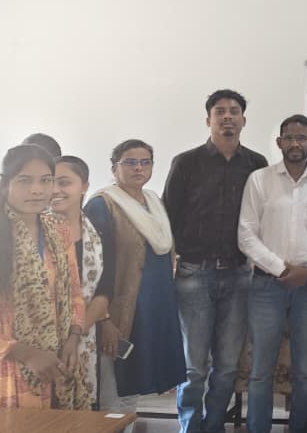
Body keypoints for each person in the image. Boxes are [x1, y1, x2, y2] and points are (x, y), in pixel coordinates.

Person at [0, 144, 89, 408]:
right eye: (25, 181)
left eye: (45, 180)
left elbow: (75, 293)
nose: (37, 190)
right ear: (5, 185)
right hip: (2, 372)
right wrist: (25, 353)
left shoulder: (59, 231)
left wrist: (73, 338)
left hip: (54, 367)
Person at [162, 89, 268, 433]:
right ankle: (190, 427)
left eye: (234, 111)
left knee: (227, 366)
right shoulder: (186, 162)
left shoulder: (256, 164)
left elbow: (264, 218)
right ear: (208, 119)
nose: (227, 117)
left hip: (239, 275)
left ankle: (213, 426)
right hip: (195, 273)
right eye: (219, 111)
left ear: (243, 120)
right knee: (194, 367)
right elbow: (168, 217)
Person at [238, 114, 307, 433]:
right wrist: (281, 268)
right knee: (260, 370)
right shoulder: (259, 180)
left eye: (302, 138)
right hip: (265, 287)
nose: (295, 143)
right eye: (289, 138)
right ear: (279, 142)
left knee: (305, 371)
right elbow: (245, 234)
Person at [85, 140, 186, 425]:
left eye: (145, 162)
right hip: (119, 310)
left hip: (151, 309)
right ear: (114, 168)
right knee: (113, 387)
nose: (138, 168)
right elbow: (94, 267)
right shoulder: (102, 205)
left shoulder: (153, 202)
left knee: (131, 388)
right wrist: (104, 319)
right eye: (130, 162)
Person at [51, 156, 113, 409]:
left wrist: (74, 337)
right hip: (40, 340)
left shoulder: (100, 232)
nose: (55, 190)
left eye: (64, 182)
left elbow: (105, 291)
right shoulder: (33, 231)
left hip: (85, 336)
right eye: (50, 182)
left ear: (84, 186)